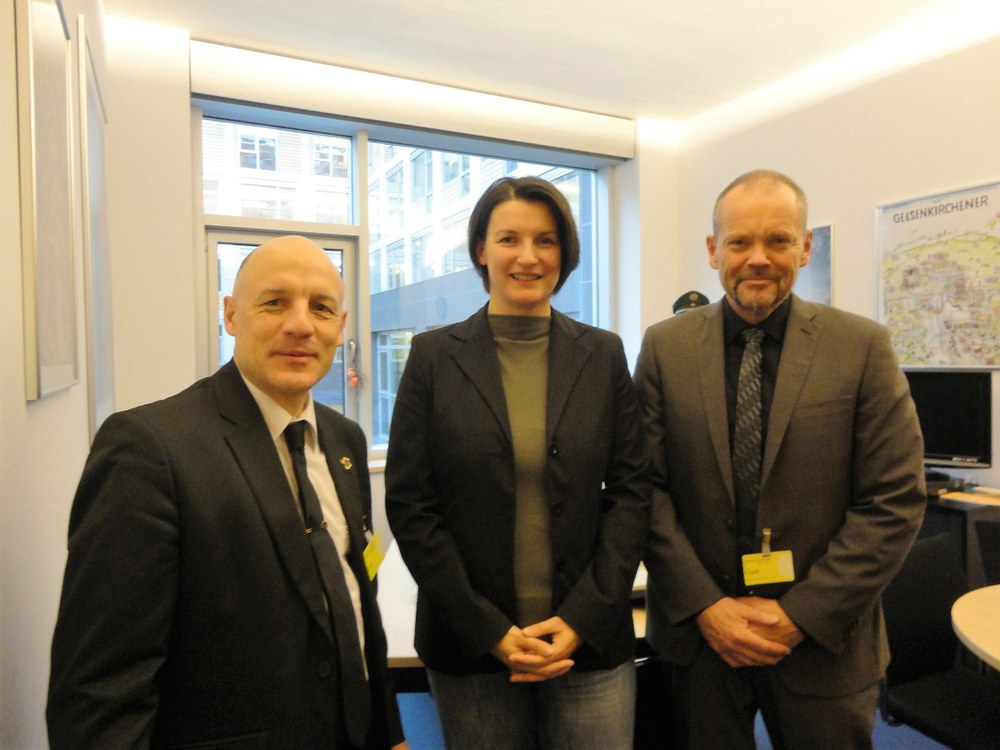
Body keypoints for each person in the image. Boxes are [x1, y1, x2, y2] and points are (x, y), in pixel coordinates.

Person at [47, 235, 407, 749]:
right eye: (275, 302)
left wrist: (388, 732)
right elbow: (100, 688)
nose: (301, 325)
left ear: (341, 326)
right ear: (232, 315)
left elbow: (357, 600)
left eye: (321, 308)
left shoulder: (344, 439)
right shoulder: (149, 450)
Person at [634, 170, 926, 749]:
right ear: (714, 249)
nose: (758, 258)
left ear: (806, 245)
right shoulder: (665, 347)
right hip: (701, 640)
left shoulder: (862, 347)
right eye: (740, 241)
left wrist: (800, 616)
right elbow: (644, 488)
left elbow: (894, 499)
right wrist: (707, 607)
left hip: (825, 641)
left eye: (778, 240)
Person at [385, 176, 651, 749]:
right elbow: (411, 505)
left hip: (588, 641)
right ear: (481, 250)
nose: (528, 257)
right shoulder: (433, 357)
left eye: (545, 240)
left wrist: (582, 617)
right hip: (472, 647)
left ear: (565, 253)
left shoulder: (603, 353)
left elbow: (632, 492)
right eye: (509, 239)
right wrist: (488, 629)